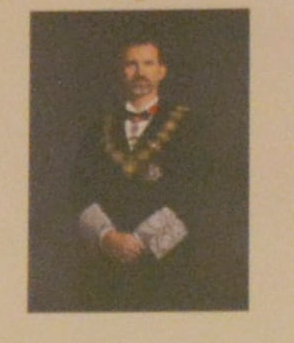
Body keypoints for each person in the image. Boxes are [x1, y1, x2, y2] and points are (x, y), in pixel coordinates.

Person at [34, 29, 247, 315]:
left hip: (173, 267)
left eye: (148, 64)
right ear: (121, 72)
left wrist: (141, 240)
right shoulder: (98, 127)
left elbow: (202, 191)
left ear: (162, 71)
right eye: (131, 64)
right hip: (106, 268)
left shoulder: (191, 125)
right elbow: (78, 190)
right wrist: (106, 236)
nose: (140, 73)